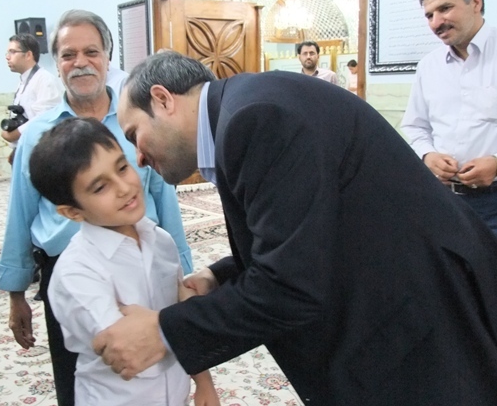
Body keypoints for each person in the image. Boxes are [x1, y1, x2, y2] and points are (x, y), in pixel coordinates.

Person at [95, 51, 497, 406]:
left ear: (163, 100)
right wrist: (220, 276)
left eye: (134, 135)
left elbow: (291, 285)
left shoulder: (254, 120)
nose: (139, 158)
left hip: (419, 314)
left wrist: (163, 333)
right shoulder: (243, 108)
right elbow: (304, 234)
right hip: (402, 294)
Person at [0, 11, 193, 406]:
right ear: (56, 63)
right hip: (68, 269)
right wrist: (16, 293)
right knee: (83, 378)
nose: (81, 62)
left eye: (91, 52)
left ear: (107, 57)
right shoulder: (36, 135)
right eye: (68, 55)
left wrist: (185, 275)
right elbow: (20, 213)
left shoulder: (136, 121)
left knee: (165, 358)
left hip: (145, 253)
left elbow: (164, 198)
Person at [28, 117, 219, 406]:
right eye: (99, 187)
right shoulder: (76, 273)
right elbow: (129, 349)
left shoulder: (161, 241)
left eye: (121, 167)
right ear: (73, 212)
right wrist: (184, 321)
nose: (124, 187)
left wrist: (204, 382)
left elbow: (179, 310)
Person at [401, 0, 497, 234]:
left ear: (475, 2)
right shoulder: (428, 66)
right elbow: (416, 126)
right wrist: (428, 154)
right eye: (429, 15)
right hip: (442, 199)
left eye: (445, 9)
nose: (436, 23)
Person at [1, 33, 63, 164]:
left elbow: (46, 118)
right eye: (8, 52)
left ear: (28, 55)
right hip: (24, 150)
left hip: (39, 154)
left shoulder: (45, 80)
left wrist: (15, 134)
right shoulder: (24, 81)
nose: (7, 57)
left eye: (13, 52)